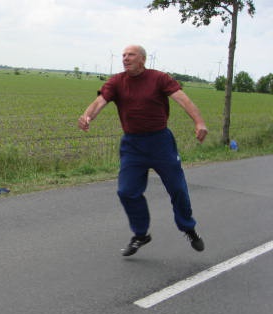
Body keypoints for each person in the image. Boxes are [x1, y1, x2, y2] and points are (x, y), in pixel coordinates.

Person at [78, 45, 207, 256]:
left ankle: (188, 227)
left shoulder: (159, 78)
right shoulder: (117, 82)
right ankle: (140, 234)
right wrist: (87, 116)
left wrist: (199, 122)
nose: (125, 58)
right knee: (126, 191)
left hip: (160, 142)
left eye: (131, 55)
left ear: (143, 59)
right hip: (132, 145)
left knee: (177, 188)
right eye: (123, 55)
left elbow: (183, 99)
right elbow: (100, 101)